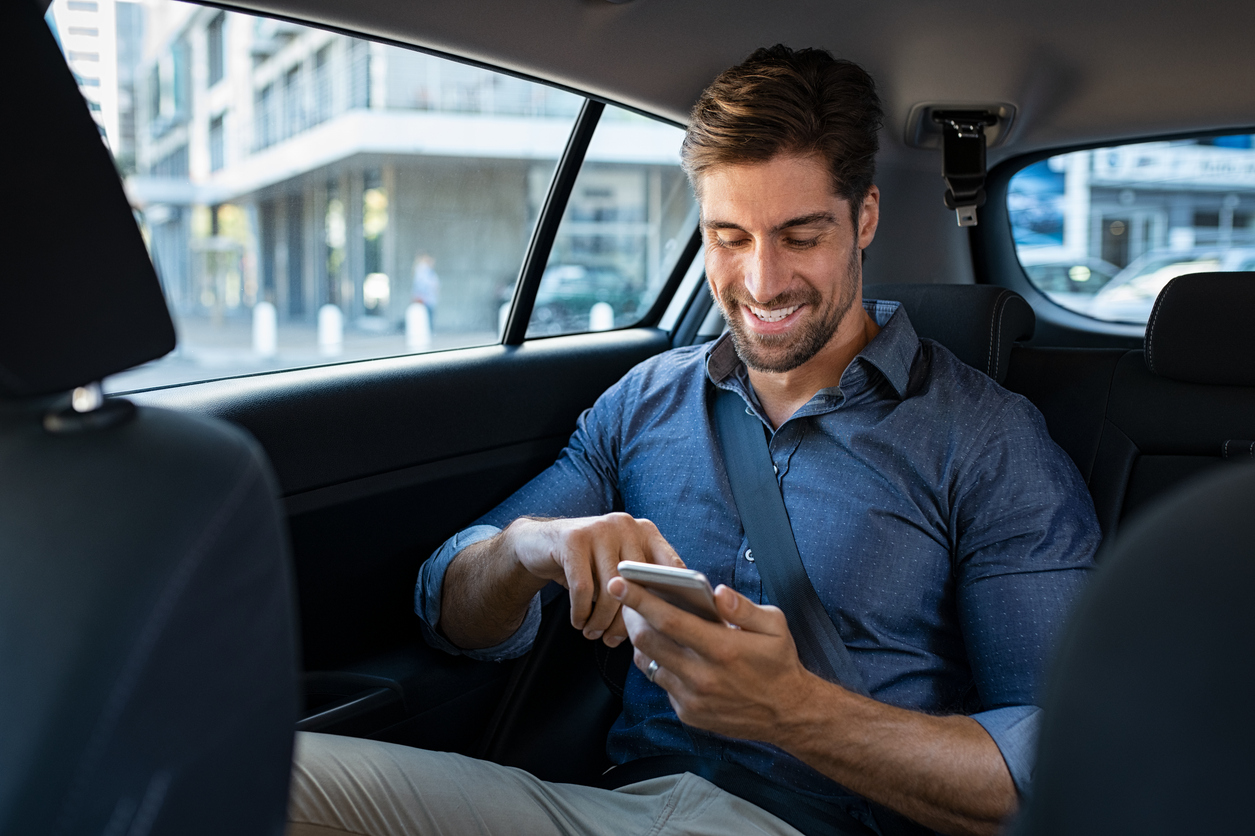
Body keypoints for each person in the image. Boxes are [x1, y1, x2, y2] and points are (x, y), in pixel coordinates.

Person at [288, 45, 1099, 836]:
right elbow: (451, 613)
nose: (760, 282)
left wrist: (795, 712)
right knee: (264, 772)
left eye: (800, 235)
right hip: (614, 806)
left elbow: (1055, 773)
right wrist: (532, 546)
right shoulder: (645, 401)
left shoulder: (987, 439)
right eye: (729, 237)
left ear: (865, 219)